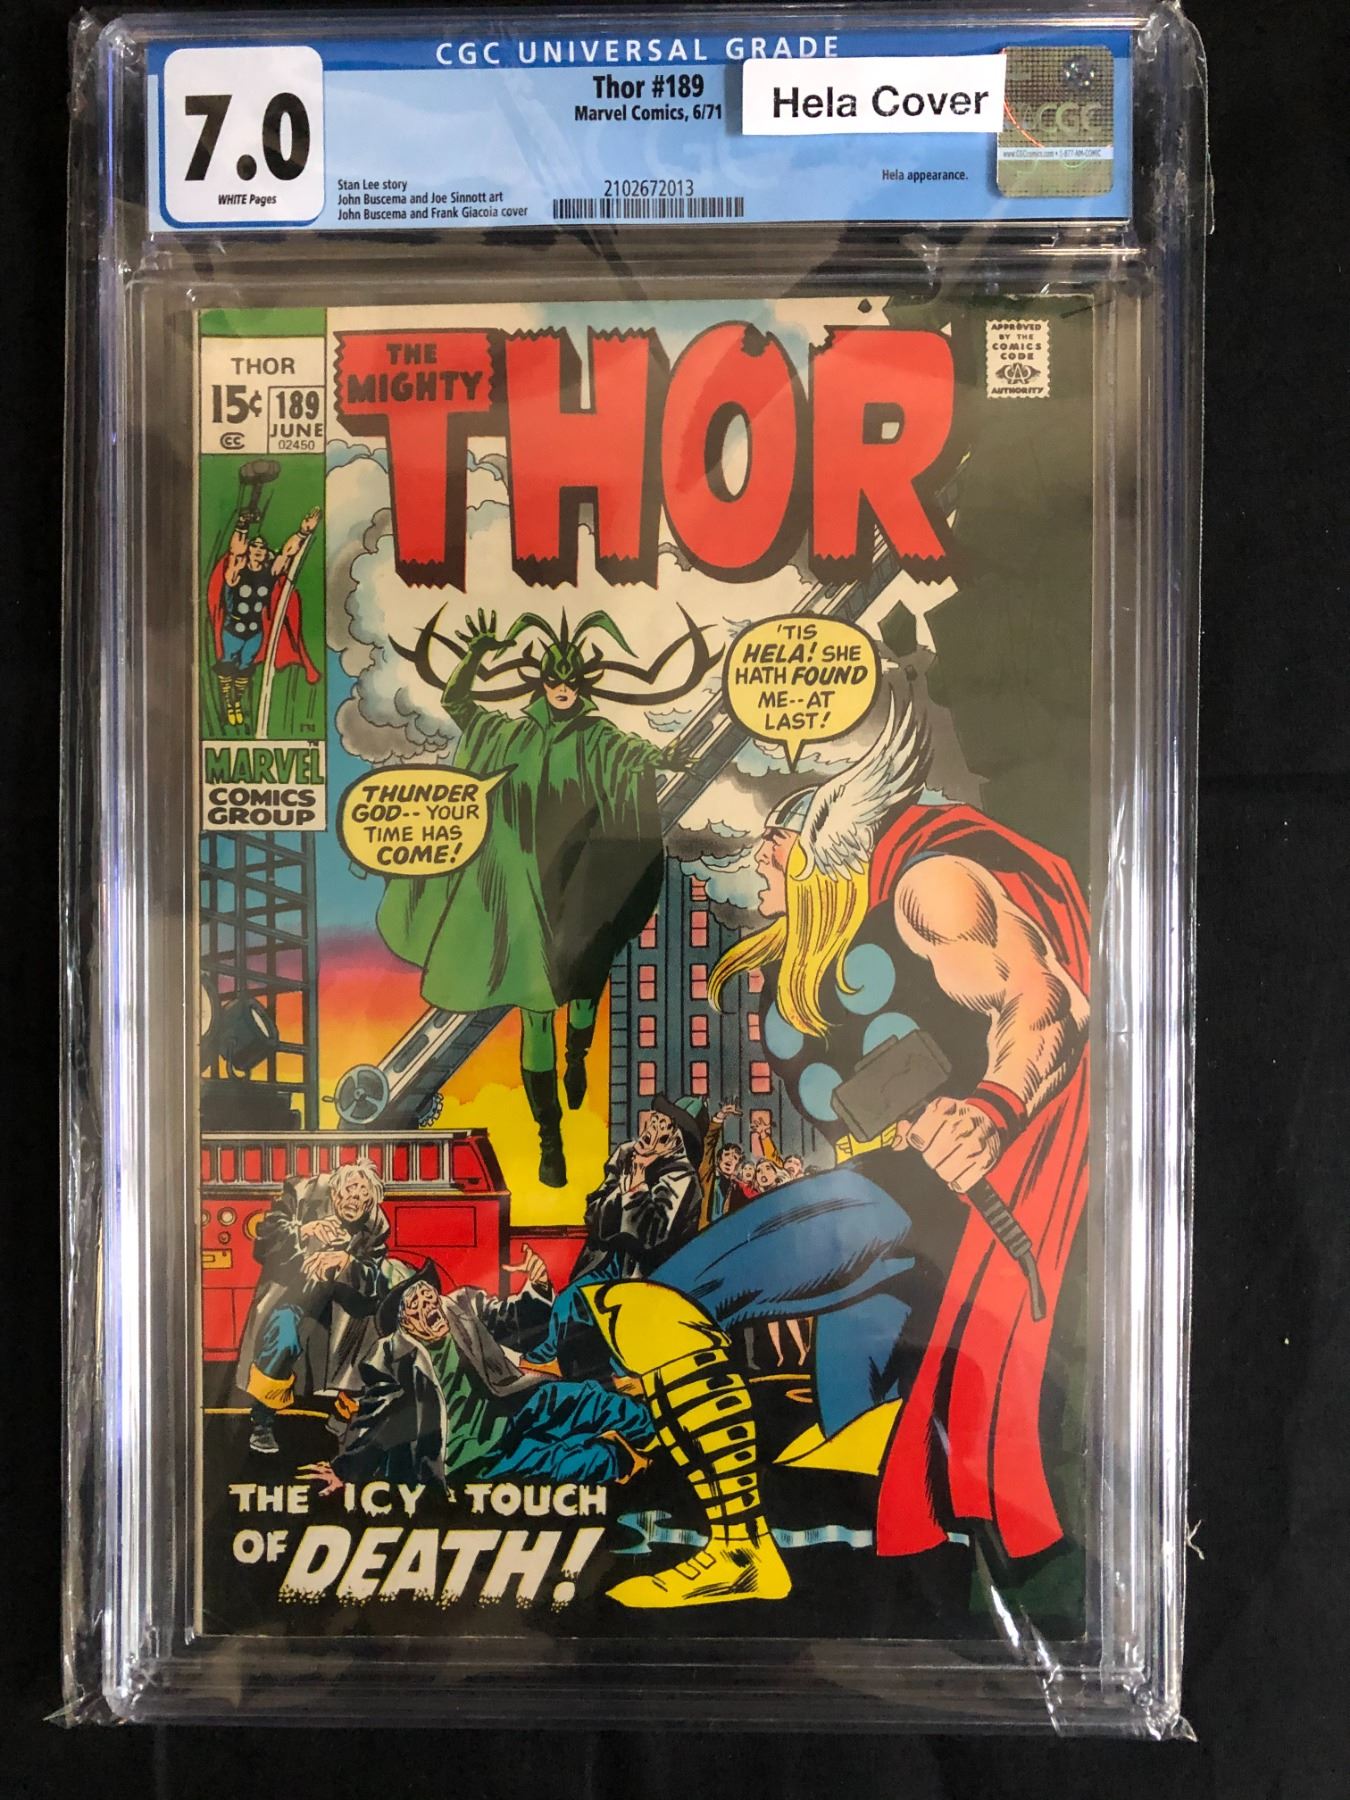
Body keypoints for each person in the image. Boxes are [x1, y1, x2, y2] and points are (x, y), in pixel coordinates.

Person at [566, 693, 1090, 1608]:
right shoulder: (813, 946)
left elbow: (1047, 998)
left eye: (767, 839)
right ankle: (929, 1606)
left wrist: (992, 1108)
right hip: (896, 1224)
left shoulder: (928, 883)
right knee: (867, 1444)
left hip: (920, 1199)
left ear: (812, 836)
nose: (751, 860)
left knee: (651, 1308)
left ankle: (739, 1552)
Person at [379, 608, 714, 1187]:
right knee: (536, 1020)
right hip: (524, 900)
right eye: (554, 680)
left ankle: (578, 1056)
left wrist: (663, 757)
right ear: (540, 683)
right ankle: (549, 1140)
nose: (562, 689)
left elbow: (634, 753)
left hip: (580, 896)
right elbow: (458, 703)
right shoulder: (507, 732)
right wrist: (476, 653)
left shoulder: (596, 736)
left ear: (583, 685)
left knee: (584, 996)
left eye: (572, 682)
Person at [300, 1255, 655, 1495]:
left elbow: (514, 1319)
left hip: (510, 1405)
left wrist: (537, 1286)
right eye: (415, 1306)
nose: (428, 1306)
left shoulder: (460, 1306)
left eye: (427, 1295)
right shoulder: (389, 1356)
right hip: (469, 1453)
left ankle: (656, 1425)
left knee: (585, 1400)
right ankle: (624, 1461)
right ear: (404, 1322)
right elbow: (375, 1419)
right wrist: (345, 1471)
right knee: (572, 1462)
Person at [518, 1096, 706, 1382]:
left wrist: (636, 1190)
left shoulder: (682, 1177)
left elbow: (653, 1236)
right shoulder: (626, 1155)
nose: (650, 1129)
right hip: (606, 1259)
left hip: (647, 1273)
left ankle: (609, 1373)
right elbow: (594, 1214)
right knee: (572, 1300)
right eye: (654, 1120)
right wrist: (623, 1190)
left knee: (592, 1310)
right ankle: (559, 1359)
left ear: (675, 1142)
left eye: (663, 1126)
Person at [236, 1160, 390, 1455]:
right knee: (283, 1336)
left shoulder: (375, 1224)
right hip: (293, 1293)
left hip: (340, 1301)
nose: (356, 1199)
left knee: (370, 1337)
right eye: (351, 1189)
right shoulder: (302, 1194)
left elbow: (373, 1275)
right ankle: (262, 1421)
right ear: (335, 1189)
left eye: (364, 1195)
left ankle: (344, 1418)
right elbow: (264, 1242)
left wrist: (346, 1263)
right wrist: (304, 1230)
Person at [206, 506, 321, 728]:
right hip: (233, 631)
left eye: (262, 547)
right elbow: (235, 551)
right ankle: (228, 703)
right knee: (228, 666)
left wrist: (303, 532)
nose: (258, 549)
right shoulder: (236, 571)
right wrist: (242, 525)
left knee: (245, 668)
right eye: (254, 545)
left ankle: (236, 702)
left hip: (254, 633)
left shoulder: (268, 573)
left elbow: (287, 553)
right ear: (248, 550)